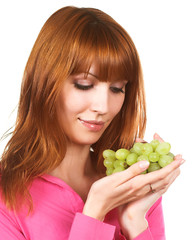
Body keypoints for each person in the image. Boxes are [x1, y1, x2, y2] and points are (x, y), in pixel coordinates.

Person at [0, 6, 184, 240]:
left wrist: (134, 221)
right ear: (45, 84)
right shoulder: (6, 196)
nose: (104, 107)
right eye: (84, 85)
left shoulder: (133, 185)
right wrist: (94, 213)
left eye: (117, 89)